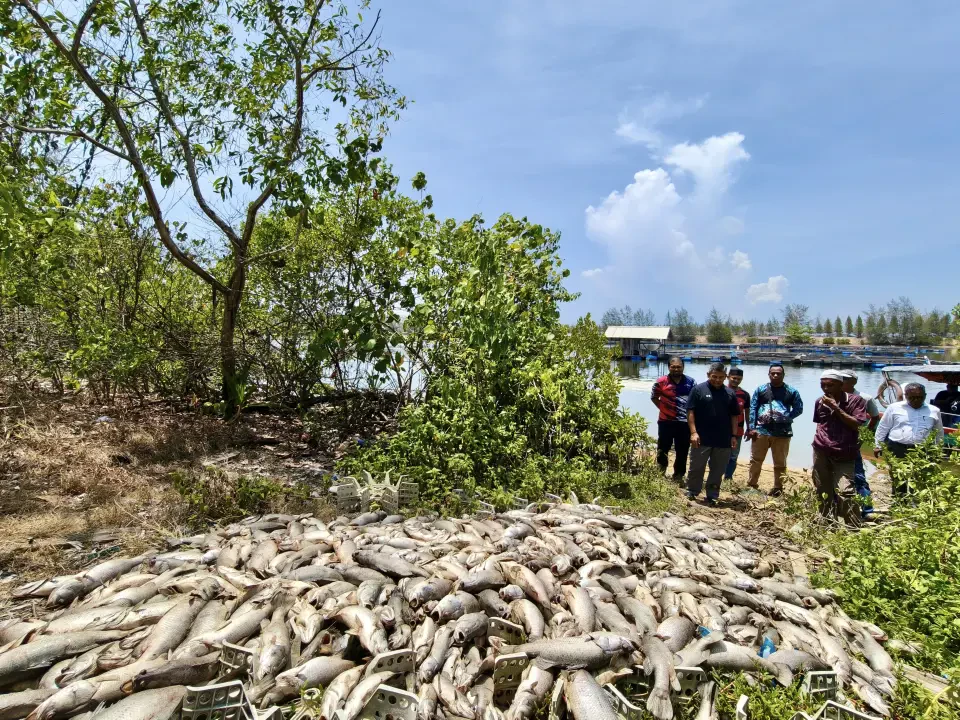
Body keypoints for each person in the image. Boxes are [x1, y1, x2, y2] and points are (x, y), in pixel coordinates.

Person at [812, 370, 869, 522]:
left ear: (841, 385)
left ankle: (853, 527)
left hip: (845, 452)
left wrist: (836, 408)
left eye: (830, 385)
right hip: (821, 450)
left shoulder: (856, 401)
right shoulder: (819, 401)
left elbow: (857, 424)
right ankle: (826, 522)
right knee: (823, 489)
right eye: (823, 385)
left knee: (846, 491)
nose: (826, 389)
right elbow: (820, 423)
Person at [686, 362, 740, 506]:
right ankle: (692, 491)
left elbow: (735, 416)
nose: (717, 380)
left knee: (718, 470)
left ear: (726, 377)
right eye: (714, 376)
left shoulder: (730, 393)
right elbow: (690, 412)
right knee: (696, 466)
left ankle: (712, 495)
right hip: (701, 438)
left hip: (723, 439)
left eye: (721, 377)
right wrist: (693, 432)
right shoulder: (698, 390)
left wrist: (734, 436)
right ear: (708, 375)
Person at [874, 383, 944, 494]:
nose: (916, 400)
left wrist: (938, 451)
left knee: (920, 478)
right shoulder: (894, 408)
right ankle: (899, 503)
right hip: (897, 448)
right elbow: (883, 427)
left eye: (920, 397)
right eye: (912, 398)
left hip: (922, 450)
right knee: (899, 477)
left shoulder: (934, 410)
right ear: (906, 396)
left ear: (925, 396)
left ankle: (915, 506)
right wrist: (878, 445)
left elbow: (939, 432)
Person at [747, 364, 803, 497]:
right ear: (769, 374)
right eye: (773, 373)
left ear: (783, 375)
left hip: (783, 433)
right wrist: (751, 428)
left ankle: (778, 488)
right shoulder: (761, 389)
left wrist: (786, 417)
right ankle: (751, 485)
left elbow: (799, 408)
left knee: (780, 463)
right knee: (755, 460)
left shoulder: (792, 391)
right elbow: (753, 408)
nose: (776, 375)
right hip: (761, 431)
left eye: (779, 373)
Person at [839, 370, 880, 518]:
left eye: (845, 379)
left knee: (858, 476)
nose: (842, 381)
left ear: (854, 382)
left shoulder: (864, 398)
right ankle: (837, 508)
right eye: (840, 378)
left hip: (853, 443)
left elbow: (875, 417)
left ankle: (867, 509)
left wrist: (864, 435)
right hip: (833, 442)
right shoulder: (832, 396)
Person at [651, 356, 696, 482]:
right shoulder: (661, 382)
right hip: (666, 421)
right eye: (673, 367)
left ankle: (678, 475)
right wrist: (663, 409)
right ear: (669, 367)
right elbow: (654, 397)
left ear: (683, 367)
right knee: (663, 447)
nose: (676, 369)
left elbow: (694, 401)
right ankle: (660, 473)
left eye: (679, 367)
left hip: (684, 422)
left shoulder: (691, 382)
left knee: (682, 450)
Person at [724, 367, 751, 481]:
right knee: (717, 455)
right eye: (734, 378)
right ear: (728, 377)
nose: (736, 380)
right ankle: (715, 476)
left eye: (739, 379)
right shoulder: (721, 390)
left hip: (738, 431)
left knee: (733, 456)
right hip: (722, 430)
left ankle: (728, 478)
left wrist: (749, 428)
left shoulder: (745, 395)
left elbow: (747, 413)